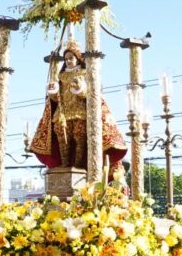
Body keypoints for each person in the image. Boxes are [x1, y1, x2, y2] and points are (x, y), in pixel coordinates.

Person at [27, 36, 127, 169]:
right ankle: (65, 164)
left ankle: (78, 165)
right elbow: (57, 98)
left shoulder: (85, 73)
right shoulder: (61, 77)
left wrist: (81, 89)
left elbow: (93, 94)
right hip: (62, 114)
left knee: (79, 137)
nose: (68, 61)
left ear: (77, 58)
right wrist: (52, 92)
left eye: (71, 58)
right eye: (66, 59)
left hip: (80, 112)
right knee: (62, 138)